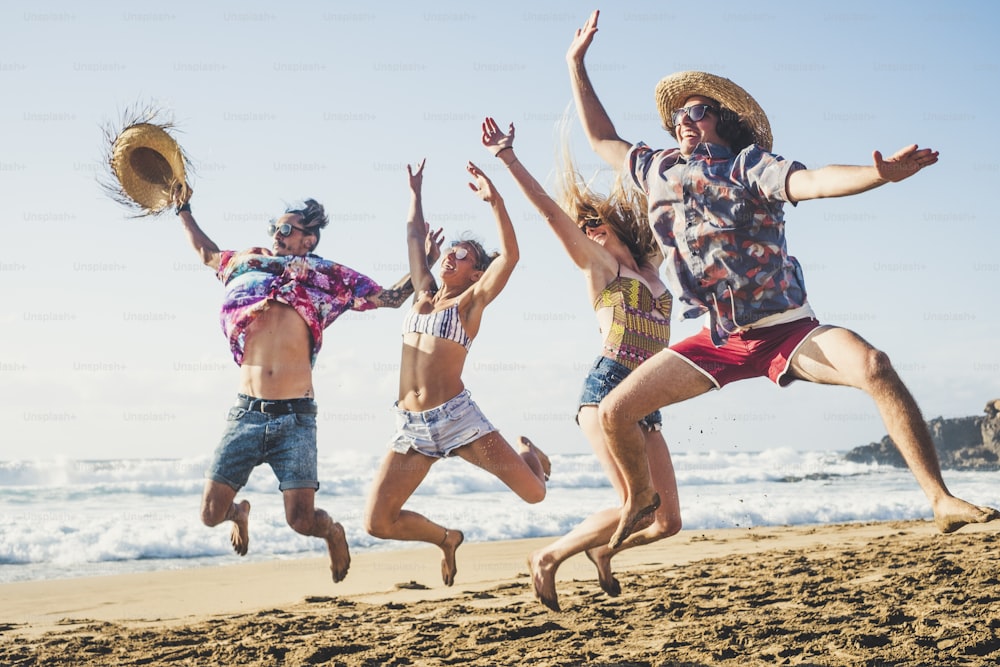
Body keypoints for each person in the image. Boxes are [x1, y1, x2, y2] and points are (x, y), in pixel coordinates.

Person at [566, 9, 1000, 549]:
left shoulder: (751, 165)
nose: (683, 117)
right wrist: (575, 63)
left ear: (720, 120)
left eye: (696, 111)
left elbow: (815, 181)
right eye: (678, 112)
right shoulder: (655, 168)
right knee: (614, 411)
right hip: (717, 341)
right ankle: (637, 501)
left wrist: (878, 175)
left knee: (874, 365)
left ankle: (940, 498)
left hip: (788, 328)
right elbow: (601, 138)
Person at [479, 117, 682, 611]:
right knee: (634, 502)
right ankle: (549, 556)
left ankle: (601, 549)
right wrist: (508, 158)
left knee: (666, 520)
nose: (589, 231)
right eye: (585, 227)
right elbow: (551, 214)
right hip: (608, 389)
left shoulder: (650, 266)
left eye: (596, 224)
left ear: (618, 226)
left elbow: (674, 208)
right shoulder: (600, 267)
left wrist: (688, 149)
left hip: (647, 395)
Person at [172, 187, 416, 583]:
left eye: (286, 228)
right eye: (275, 227)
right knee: (210, 514)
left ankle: (333, 532)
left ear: (309, 238)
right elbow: (206, 253)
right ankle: (240, 512)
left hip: (296, 418)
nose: (277, 233)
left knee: (302, 520)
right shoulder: (244, 265)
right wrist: (183, 209)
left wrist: (425, 263)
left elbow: (389, 298)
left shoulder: (326, 276)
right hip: (246, 413)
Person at [364, 160, 550, 587]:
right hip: (411, 428)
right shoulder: (423, 296)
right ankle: (446, 538)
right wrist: (415, 191)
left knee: (535, 494)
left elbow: (512, 255)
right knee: (377, 522)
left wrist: (495, 200)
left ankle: (533, 458)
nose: (451, 255)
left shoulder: (470, 305)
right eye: (451, 250)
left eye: (462, 254)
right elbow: (413, 236)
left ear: (476, 273)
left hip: (457, 421)